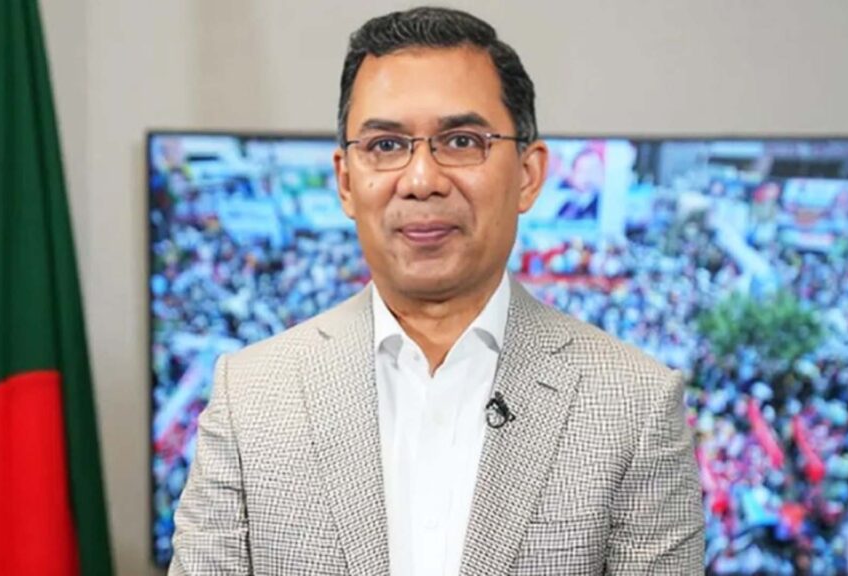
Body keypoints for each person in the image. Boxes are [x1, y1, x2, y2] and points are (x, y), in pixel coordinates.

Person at [170, 7, 704, 575]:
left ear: (528, 175)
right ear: (346, 181)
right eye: (385, 145)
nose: (422, 180)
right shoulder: (250, 396)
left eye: (462, 140)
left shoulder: (635, 405)